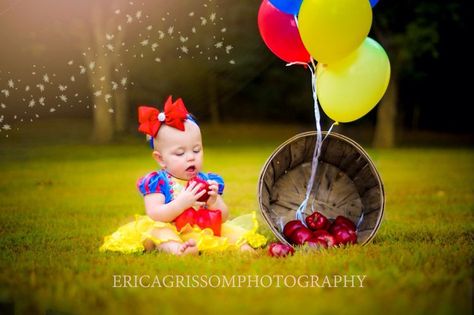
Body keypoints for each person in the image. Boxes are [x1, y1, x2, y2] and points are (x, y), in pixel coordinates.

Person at [100, 96, 267, 255]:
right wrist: (180, 203)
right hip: (170, 226)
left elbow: (223, 217)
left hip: (202, 227)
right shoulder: (158, 182)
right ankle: (178, 250)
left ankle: (242, 248)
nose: (190, 157)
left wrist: (213, 201)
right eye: (180, 153)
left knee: (226, 231)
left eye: (196, 150)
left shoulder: (206, 180)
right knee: (160, 232)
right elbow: (155, 213)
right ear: (160, 159)